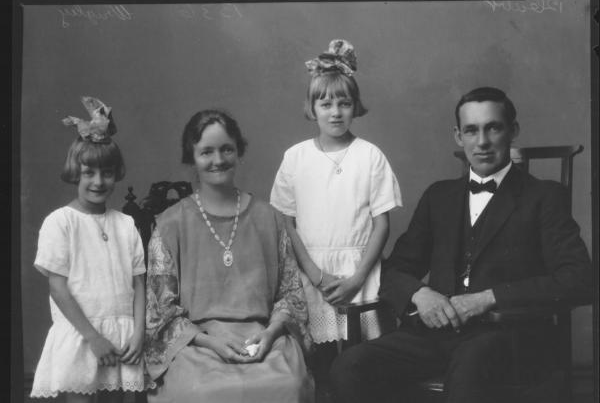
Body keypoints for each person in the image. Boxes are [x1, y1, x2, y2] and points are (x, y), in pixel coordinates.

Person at [330, 86, 593, 403]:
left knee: (469, 373)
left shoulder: (543, 197)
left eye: (493, 127)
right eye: (471, 130)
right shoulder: (438, 196)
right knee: (350, 366)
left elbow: (579, 279)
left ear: (513, 130)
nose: (482, 142)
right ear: (458, 136)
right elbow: (397, 268)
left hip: (506, 336)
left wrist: (487, 298)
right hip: (433, 334)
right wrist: (420, 293)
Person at [144, 109, 314, 403]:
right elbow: (162, 311)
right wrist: (210, 342)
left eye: (226, 149)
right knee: (203, 392)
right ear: (191, 159)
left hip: (264, 340)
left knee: (287, 385)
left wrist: (272, 332)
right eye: (206, 152)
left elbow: (290, 294)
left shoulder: (269, 218)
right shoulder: (170, 224)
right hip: (196, 344)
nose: (218, 160)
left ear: (239, 153)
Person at [270, 39, 402, 378]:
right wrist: (315, 275)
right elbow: (285, 222)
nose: (335, 111)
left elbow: (381, 224)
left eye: (344, 103)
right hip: (312, 271)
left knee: (360, 366)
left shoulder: (370, 155)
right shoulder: (296, 157)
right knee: (320, 363)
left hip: (359, 270)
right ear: (312, 108)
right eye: (326, 103)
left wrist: (357, 277)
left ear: (355, 106)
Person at [30, 97, 152, 402]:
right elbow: (58, 287)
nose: (99, 181)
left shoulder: (125, 224)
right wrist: (93, 337)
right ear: (76, 172)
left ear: (116, 174)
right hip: (83, 335)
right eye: (89, 173)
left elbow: (139, 284)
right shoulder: (61, 222)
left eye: (107, 173)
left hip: (124, 336)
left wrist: (139, 333)